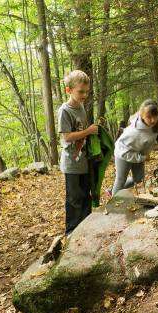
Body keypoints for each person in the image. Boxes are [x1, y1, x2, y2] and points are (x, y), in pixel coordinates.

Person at [58, 70, 98, 235]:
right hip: (71, 163)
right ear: (69, 90)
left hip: (84, 161)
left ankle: (86, 228)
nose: (84, 95)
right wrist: (88, 131)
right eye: (80, 91)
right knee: (74, 199)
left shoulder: (81, 106)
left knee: (85, 196)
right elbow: (67, 137)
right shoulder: (65, 111)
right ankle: (72, 232)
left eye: (86, 91)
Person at [111, 99, 158, 195]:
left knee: (139, 178)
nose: (152, 120)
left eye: (154, 117)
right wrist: (142, 158)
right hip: (123, 153)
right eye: (149, 117)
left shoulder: (156, 116)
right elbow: (123, 151)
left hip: (138, 152)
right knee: (120, 180)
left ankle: (113, 190)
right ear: (142, 115)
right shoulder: (133, 133)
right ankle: (113, 200)